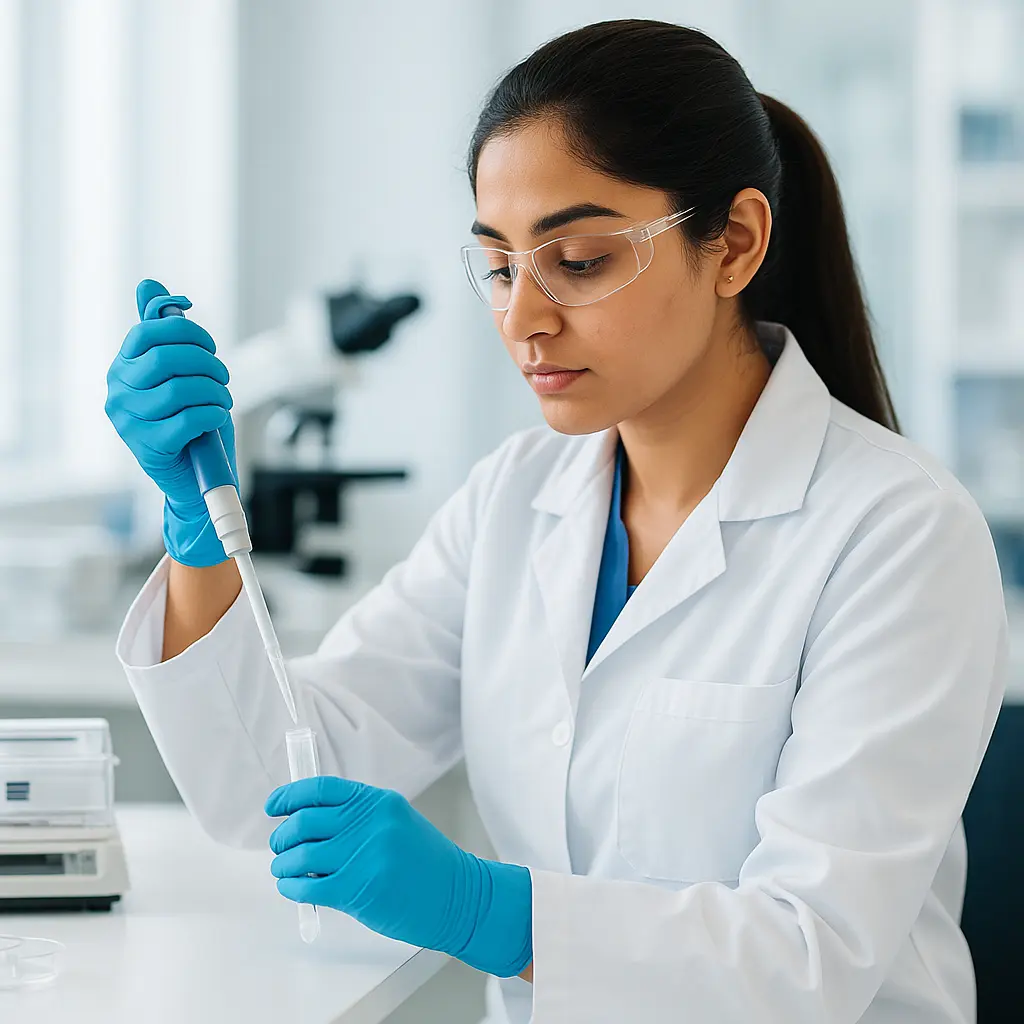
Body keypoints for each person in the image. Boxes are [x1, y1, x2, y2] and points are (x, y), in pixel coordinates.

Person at [105, 19, 1007, 1024]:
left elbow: (810, 956)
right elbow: (270, 786)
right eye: (498, 265)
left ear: (736, 243)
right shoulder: (515, 499)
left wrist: (490, 910)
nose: (523, 317)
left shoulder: (896, 533)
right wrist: (196, 528)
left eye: (577, 260)